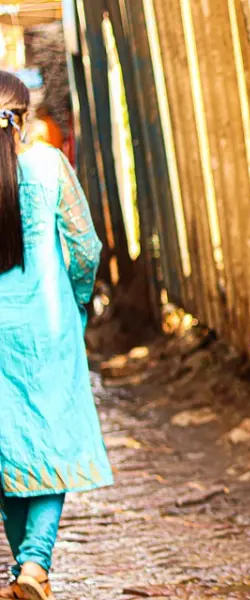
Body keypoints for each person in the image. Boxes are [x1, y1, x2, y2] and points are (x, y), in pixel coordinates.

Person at [0, 71, 113, 600]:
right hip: (47, 326)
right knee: (51, 439)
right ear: (22, 119)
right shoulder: (47, 164)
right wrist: (79, 298)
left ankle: (25, 571)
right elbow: (85, 245)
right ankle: (34, 565)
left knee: (8, 444)